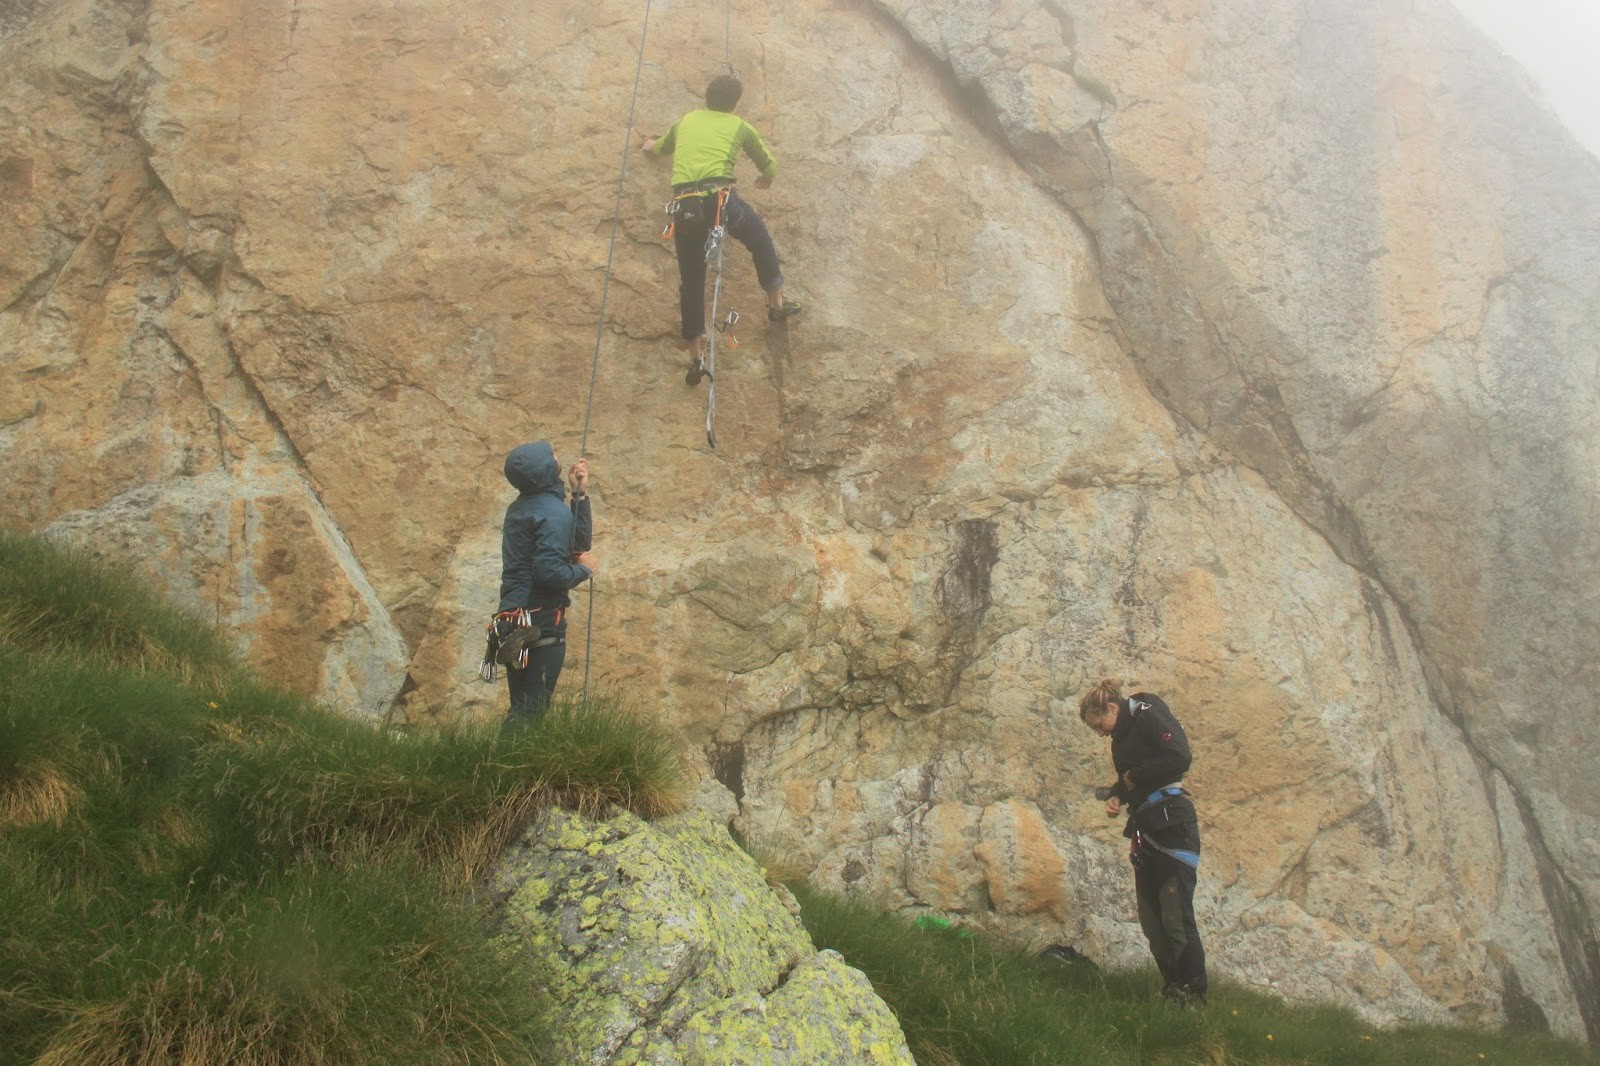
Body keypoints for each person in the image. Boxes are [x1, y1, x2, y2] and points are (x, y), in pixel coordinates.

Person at [642, 74, 801, 384]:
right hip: (722, 202)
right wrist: (767, 177)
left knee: (691, 282)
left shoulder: (686, 121)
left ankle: (696, 360)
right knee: (760, 241)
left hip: (686, 209)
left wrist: (649, 145)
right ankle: (776, 305)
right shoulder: (739, 126)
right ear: (735, 103)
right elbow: (769, 165)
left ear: (706, 96)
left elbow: (661, 147)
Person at [1079, 678, 1208, 1005]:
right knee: (1153, 923)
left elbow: (1179, 756)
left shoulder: (1148, 712)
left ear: (1112, 708)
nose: (1101, 733)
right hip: (1145, 829)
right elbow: (1130, 779)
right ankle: (1173, 990)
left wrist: (1134, 778)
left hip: (1173, 825)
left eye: (1100, 725)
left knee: (1175, 916)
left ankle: (1193, 997)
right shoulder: (1119, 740)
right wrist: (1117, 797)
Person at [496, 441, 596, 725]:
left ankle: (500, 767)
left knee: (521, 708)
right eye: (552, 455)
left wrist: (578, 494)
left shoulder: (519, 508)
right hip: (541, 620)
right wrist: (584, 571)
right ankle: (511, 769)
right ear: (546, 469)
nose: (557, 455)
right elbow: (550, 573)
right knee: (530, 714)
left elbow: (574, 542)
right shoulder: (553, 512)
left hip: (512, 616)